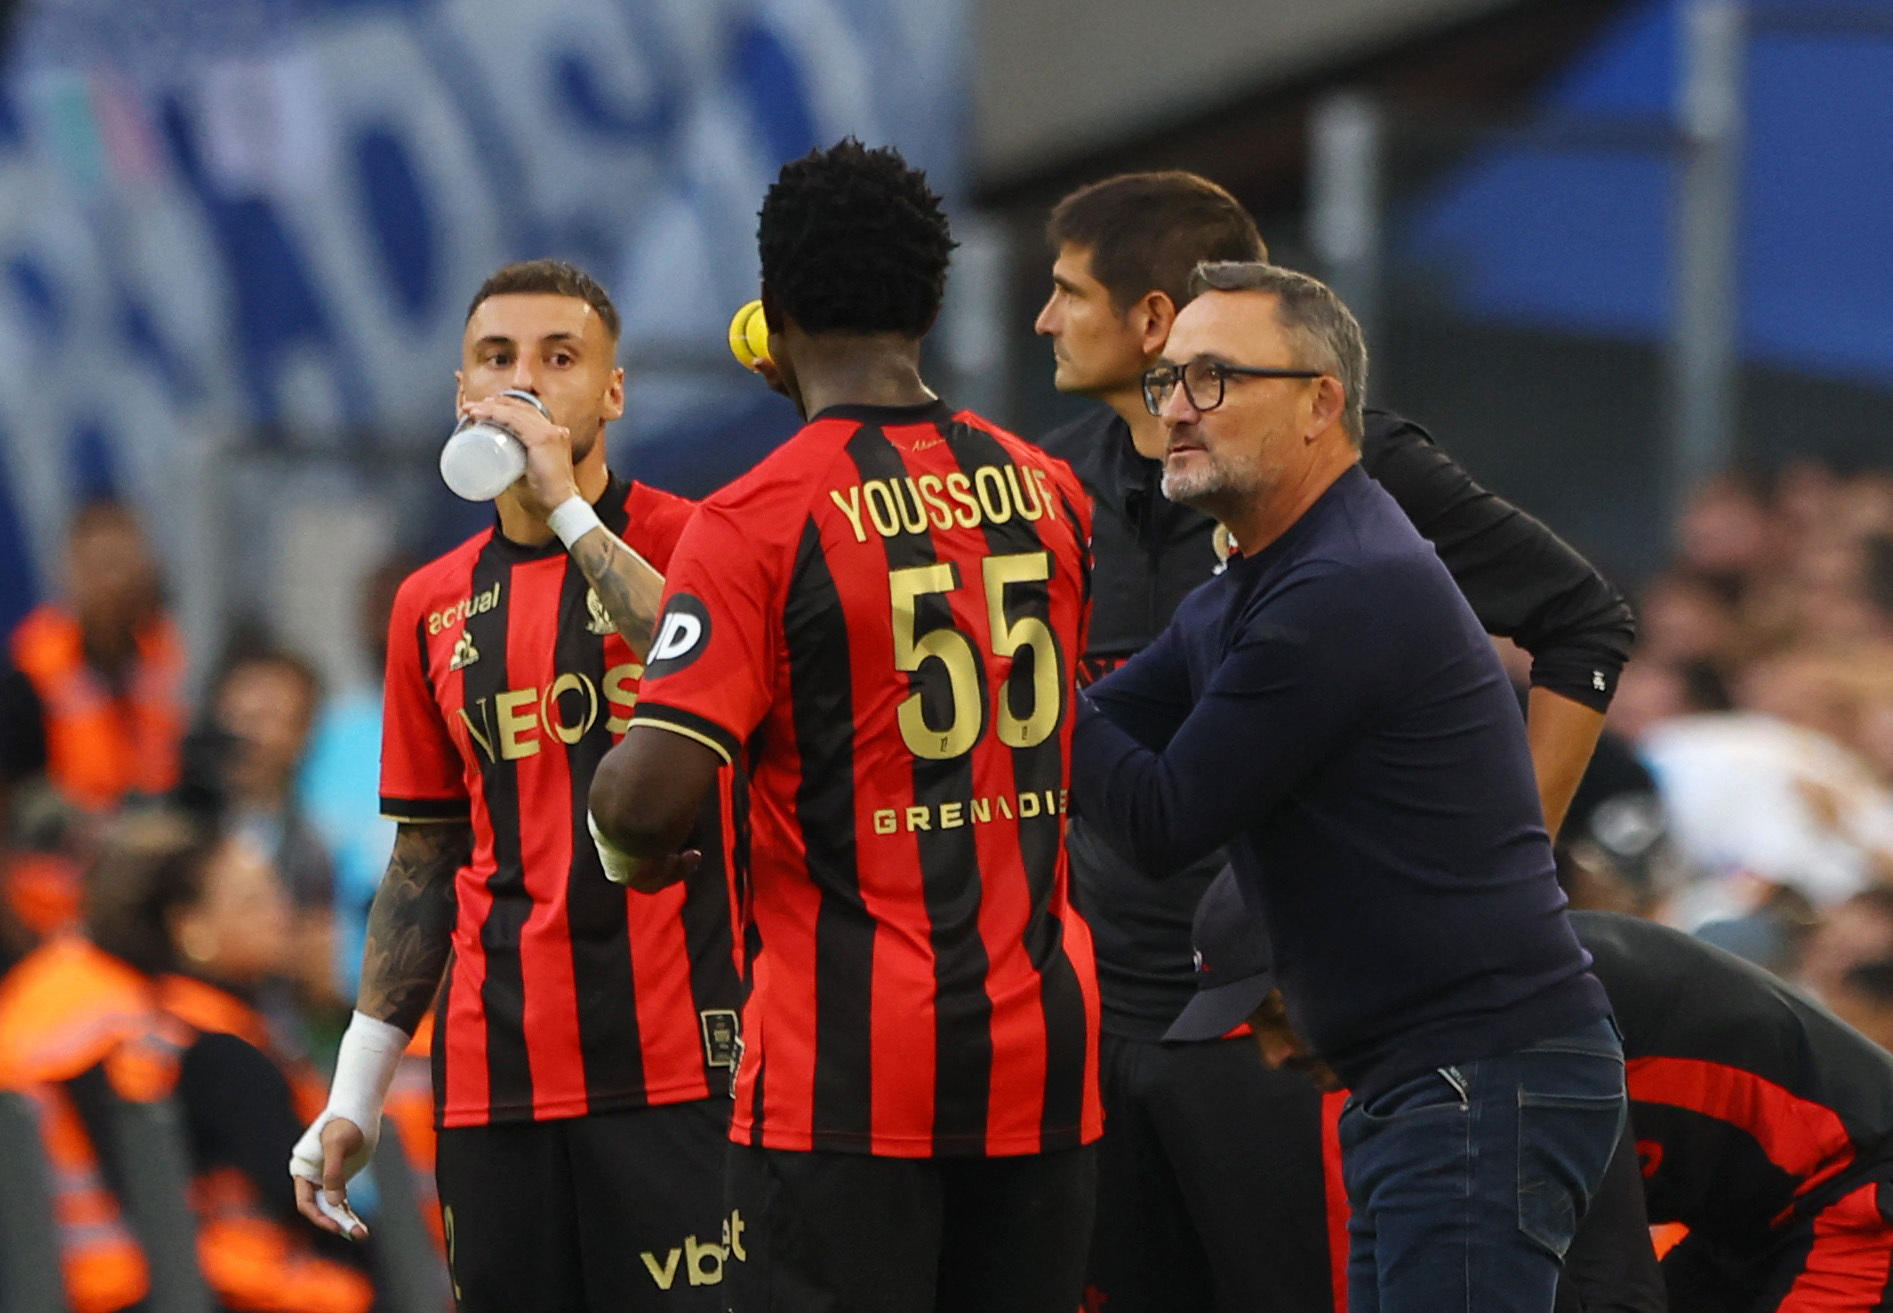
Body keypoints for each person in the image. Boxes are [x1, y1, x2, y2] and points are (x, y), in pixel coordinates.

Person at [1032, 170, 1637, 1313]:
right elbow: (1111, 718)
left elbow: (1162, 815)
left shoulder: (1340, 582)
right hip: (1385, 1064)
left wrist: (1014, 676)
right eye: (1171, 381)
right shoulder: (1252, 573)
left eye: (1214, 379)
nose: (1177, 406)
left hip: (1466, 1066)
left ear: (1321, 403)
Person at [587, 139, 1102, 1313]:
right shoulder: (1048, 491)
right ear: (931, 304)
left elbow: (641, 798)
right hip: (1044, 1058)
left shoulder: (758, 517)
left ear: (770, 317)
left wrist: (638, 845)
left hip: (849, 1079)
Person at [288, 259, 741, 1313]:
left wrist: (570, 511)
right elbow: (423, 857)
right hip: (496, 1086)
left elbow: (690, 653)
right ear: (462, 396)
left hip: (681, 1068)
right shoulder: (426, 607)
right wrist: (354, 1092)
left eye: (560, 357)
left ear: (614, 392)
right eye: (498, 359)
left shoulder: (701, 543)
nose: (526, 383)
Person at [1176, 871, 1893, 1313]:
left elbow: (1611, 1287)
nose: (1271, 1055)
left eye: (1275, 1014)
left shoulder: (1518, 1026)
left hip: (1856, 1198)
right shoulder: (1435, 1033)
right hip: (1743, 1228)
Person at [8, 500, 186, 813]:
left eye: (124, 564)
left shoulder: (167, 660)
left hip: (155, 833)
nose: (115, 581)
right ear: (69, 571)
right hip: (63, 844)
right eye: (100, 565)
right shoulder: (26, 677)